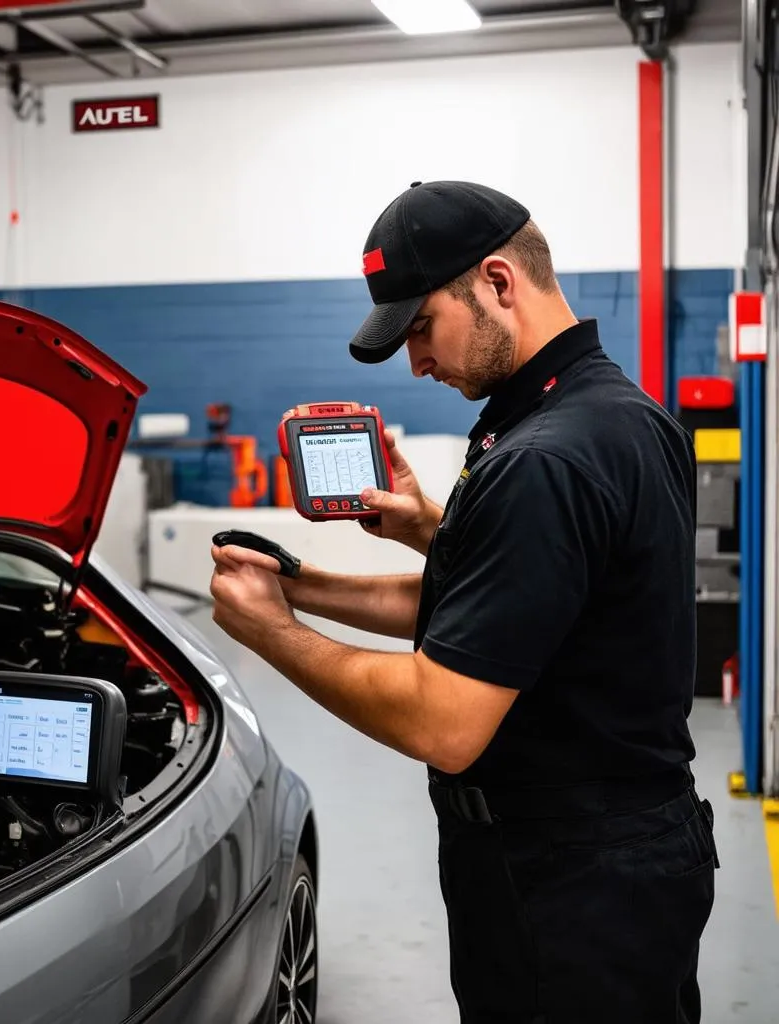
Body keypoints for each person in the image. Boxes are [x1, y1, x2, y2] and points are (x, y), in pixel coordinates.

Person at [209, 180, 719, 1023]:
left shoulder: (543, 460)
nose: (416, 361)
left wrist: (275, 632)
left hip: (567, 885)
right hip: (623, 861)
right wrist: (327, 572)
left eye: (420, 328)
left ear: (496, 281)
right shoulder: (614, 416)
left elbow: (442, 722)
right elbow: (517, 605)